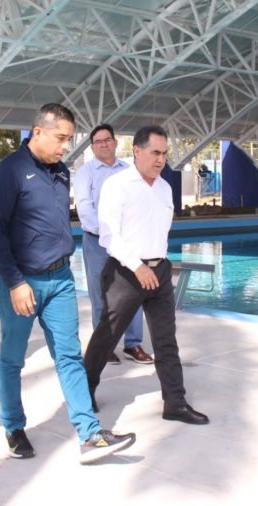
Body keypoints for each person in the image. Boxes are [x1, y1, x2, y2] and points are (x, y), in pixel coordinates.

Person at [0, 103, 135, 465]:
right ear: (38, 132)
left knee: (69, 356)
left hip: (61, 280)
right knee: (12, 358)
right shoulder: (11, 170)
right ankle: (13, 427)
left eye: (69, 139)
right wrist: (15, 282)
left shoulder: (61, 171)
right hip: (21, 282)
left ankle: (89, 434)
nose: (65, 146)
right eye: (60, 138)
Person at [83, 126, 209, 426]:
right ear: (137, 151)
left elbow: (160, 232)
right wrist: (137, 266)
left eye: (164, 154)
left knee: (166, 340)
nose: (160, 159)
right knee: (106, 336)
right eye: (155, 153)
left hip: (159, 271)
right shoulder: (117, 185)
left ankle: (175, 403)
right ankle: (84, 392)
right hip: (126, 272)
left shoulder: (164, 188)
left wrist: (156, 265)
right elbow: (109, 235)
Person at [73, 124, 152, 366]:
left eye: (107, 139)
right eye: (98, 141)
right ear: (92, 147)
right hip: (97, 241)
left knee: (133, 292)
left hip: (128, 243)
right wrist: (109, 235)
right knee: (100, 294)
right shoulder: (85, 173)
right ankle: (104, 346)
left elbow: (139, 204)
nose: (104, 144)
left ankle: (133, 343)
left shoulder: (130, 170)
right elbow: (84, 209)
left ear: (116, 142)